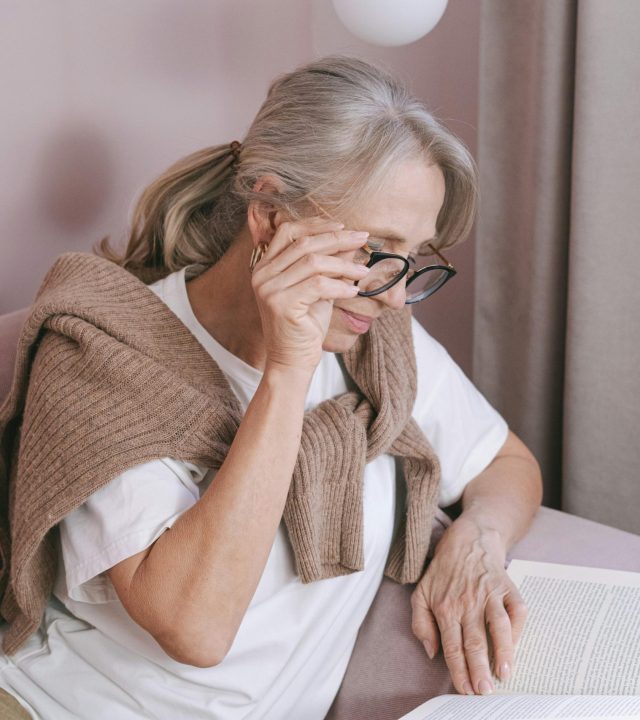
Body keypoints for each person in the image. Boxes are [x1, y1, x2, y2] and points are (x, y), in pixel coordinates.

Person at [0, 55, 542, 719]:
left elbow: (509, 464)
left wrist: (477, 541)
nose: (397, 298)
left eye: (415, 257)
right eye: (374, 252)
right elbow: (195, 629)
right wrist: (289, 370)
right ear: (269, 218)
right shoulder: (106, 354)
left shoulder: (379, 345)